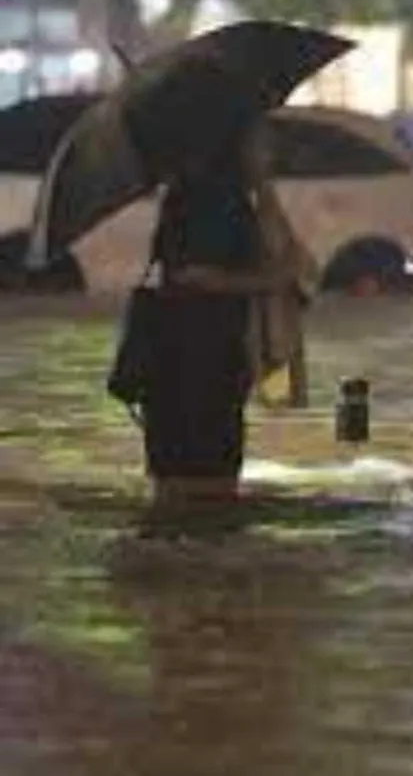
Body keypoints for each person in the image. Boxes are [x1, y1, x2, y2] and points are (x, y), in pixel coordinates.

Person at [129, 121, 306, 538]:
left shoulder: (219, 195)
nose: (270, 145)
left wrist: (263, 184)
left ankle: (188, 586)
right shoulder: (211, 198)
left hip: (203, 357)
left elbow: (292, 257)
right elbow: (193, 275)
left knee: (187, 491)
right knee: (205, 490)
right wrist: (268, 281)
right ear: (235, 143)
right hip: (196, 359)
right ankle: (202, 589)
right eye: (259, 135)